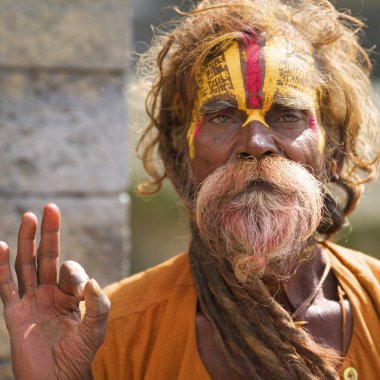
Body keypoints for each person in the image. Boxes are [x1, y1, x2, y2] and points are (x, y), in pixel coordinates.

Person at [0, 0, 379, 378]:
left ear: (335, 154)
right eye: (222, 116)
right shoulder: (109, 334)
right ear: (178, 160)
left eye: (288, 114)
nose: (256, 142)